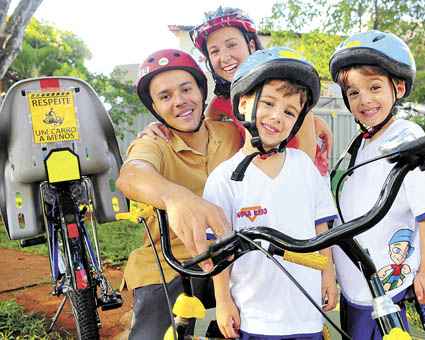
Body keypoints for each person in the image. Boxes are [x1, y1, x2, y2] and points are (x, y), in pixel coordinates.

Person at [202, 47, 338, 339]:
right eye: (268, 103)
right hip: (255, 317)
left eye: (289, 111)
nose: (277, 116)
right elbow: (219, 251)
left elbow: (321, 227)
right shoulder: (223, 178)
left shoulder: (303, 166)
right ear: (242, 105)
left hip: (306, 313)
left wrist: (329, 274)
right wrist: (224, 301)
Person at [328, 30, 425, 340]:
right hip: (356, 286)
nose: (365, 99)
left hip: (384, 288)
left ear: (398, 87)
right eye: (353, 93)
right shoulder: (361, 143)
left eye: (375, 87)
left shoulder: (407, 137)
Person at [116, 48, 241, 339]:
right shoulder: (154, 143)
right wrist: (176, 197)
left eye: (186, 89)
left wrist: (313, 121)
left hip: (235, 254)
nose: (180, 102)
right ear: (155, 109)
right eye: (165, 97)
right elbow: (132, 174)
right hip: (172, 261)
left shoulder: (231, 134)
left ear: (201, 90)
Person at [140, 6, 333, 176]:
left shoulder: (284, 89)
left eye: (231, 45)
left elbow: (306, 159)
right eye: (214, 51)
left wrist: (313, 119)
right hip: (259, 179)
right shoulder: (222, 101)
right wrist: (165, 126)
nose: (224, 57)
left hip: (300, 180)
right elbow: (202, 125)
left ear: (250, 45)